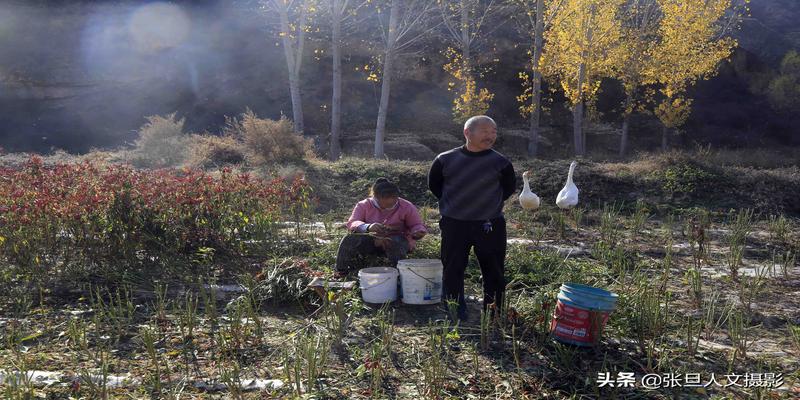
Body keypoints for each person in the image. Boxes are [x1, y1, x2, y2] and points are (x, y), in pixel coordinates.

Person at [427, 115, 516, 320]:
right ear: (468, 132)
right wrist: (457, 206)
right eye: (485, 131)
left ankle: (493, 312)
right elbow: (435, 186)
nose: (491, 136)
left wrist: (485, 206)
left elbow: (508, 189)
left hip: (490, 223)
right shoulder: (445, 160)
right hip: (454, 223)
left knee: (493, 270)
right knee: (453, 268)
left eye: (494, 132)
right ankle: (454, 310)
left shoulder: (501, 162)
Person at [335, 177, 427, 274]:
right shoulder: (363, 205)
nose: (391, 201)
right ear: (376, 197)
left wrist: (418, 232)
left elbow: (416, 224)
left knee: (394, 241)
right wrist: (368, 227)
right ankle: (341, 272)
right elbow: (353, 222)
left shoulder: (406, 206)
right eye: (386, 198)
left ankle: (400, 274)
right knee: (349, 239)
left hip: (397, 242)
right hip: (371, 241)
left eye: (394, 197)